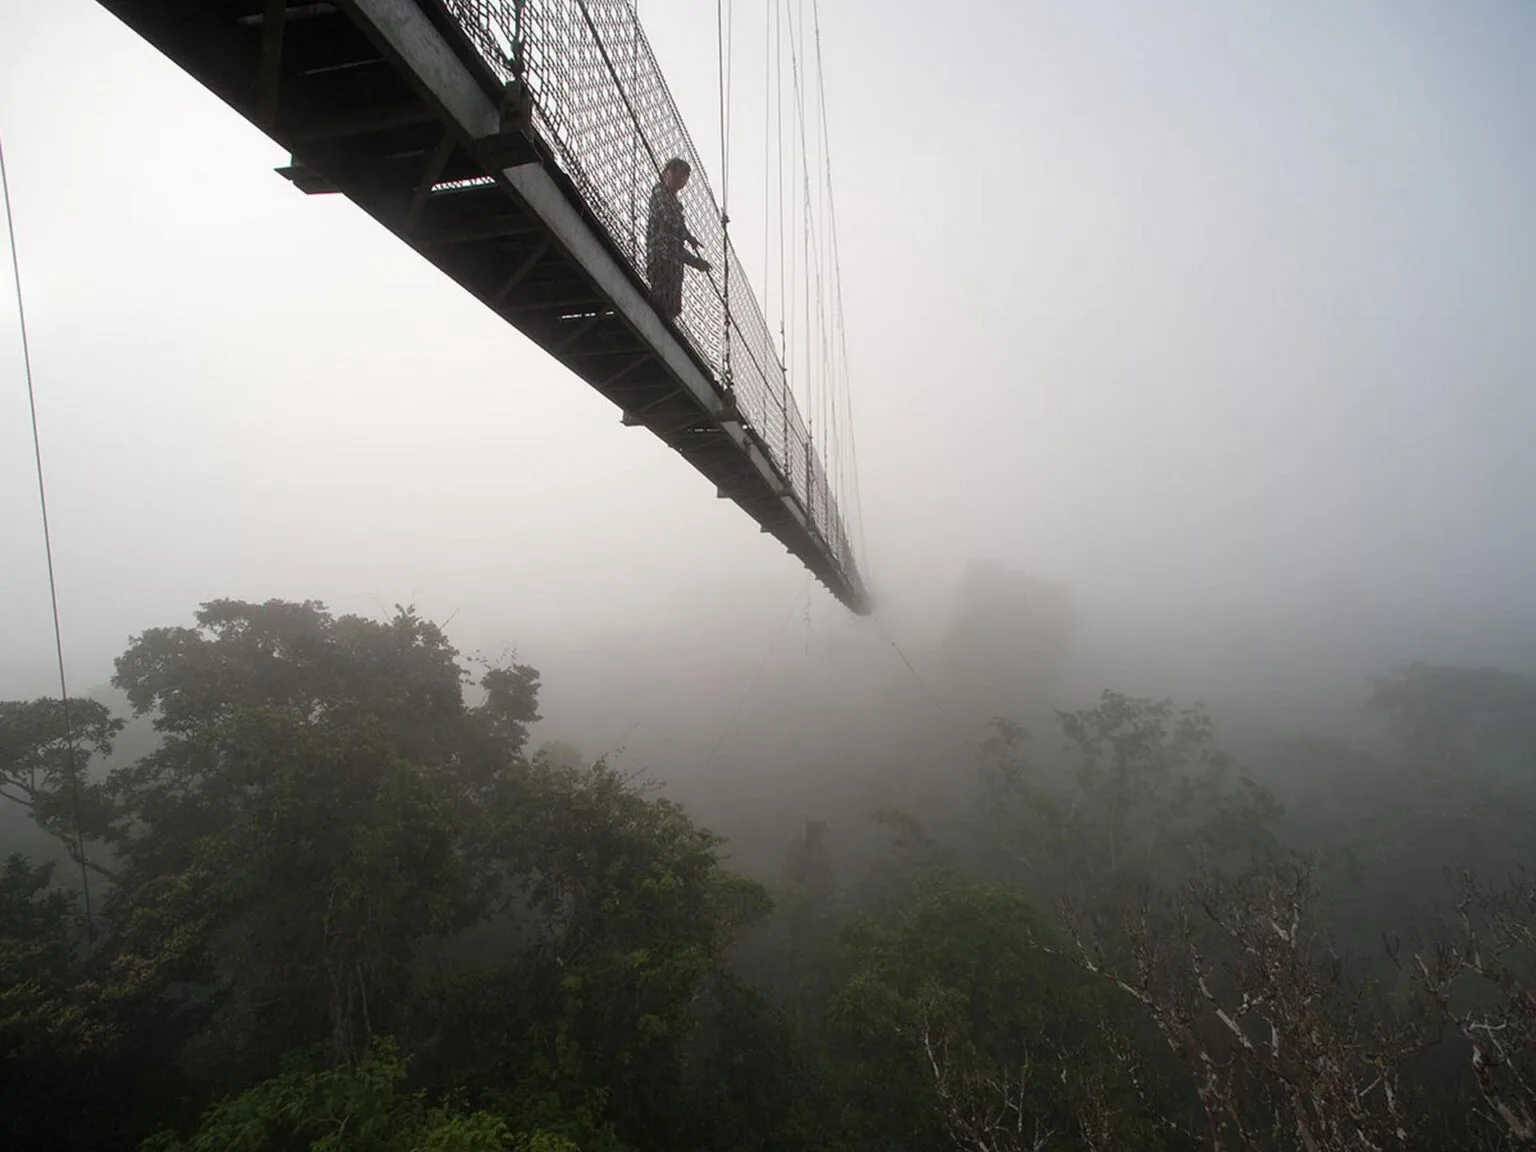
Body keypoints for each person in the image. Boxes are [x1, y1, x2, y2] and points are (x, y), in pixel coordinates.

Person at [645, 156, 711, 321]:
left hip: (674, 265)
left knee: (673, 308)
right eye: (677, 175)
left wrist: (696, 262)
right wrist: (688, 236)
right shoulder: (659, 192)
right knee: (660, 303)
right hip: (661, 259)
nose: (680, 181)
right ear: (666, 173)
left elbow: (677, 248)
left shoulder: (676, 204)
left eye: (683, 178)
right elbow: (666, 218)